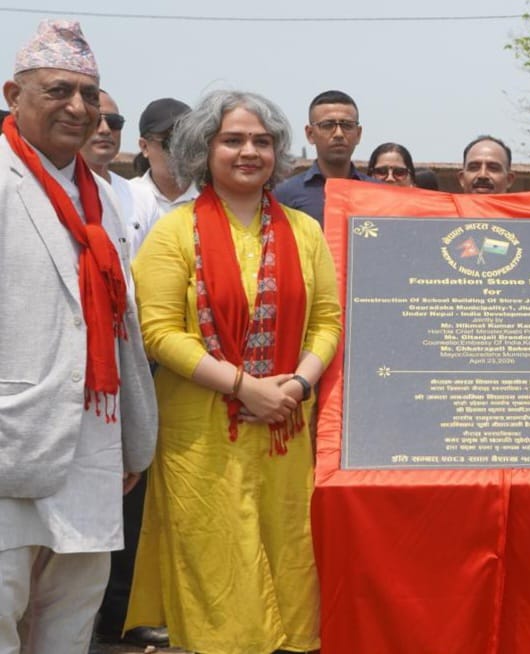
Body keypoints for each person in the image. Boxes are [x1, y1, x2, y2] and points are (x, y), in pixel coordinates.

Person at [125, 90, 342, 654]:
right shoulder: (174, 232)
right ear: (204, 149)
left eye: (262, 141)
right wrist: (246, 387)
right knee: (216, 563)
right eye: (233, 140)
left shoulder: (305, 231)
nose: (250, 152)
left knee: (288, 553)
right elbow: (158, 331)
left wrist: (296, 384)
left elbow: (328, 321)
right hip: (201, 436)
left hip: (285, 428)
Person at [0, 20, 157, 654]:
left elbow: (123, 326)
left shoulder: (102, 198)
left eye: (89, 95)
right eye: (58, 90)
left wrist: (135, 436)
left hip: (93, 442)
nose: (78, 107)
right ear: (14, 95)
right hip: (14, 435)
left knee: (70, 619)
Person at [79, 89, 168, 651]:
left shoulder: (118, 197)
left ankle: (117, 614)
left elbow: (133, 304)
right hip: (48, 388)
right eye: (97, 118)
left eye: (113, 120)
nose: (102, 128)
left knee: (124, 504)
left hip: (119, 374)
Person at [80, 89, 160, 257]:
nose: (105, 129)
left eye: (114, 122)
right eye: (94, 120)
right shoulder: (53, 192)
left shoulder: (142, 198)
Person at [275, 89, 373, 223]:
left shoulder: (378, 192)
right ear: (310, 134)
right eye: (327, 125)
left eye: (347, 125)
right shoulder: (285, 194)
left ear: (358, 134)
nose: (338, 134)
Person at [129, 98, 198, 217]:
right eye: (170, 141)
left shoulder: (215, 198)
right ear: (145, 147)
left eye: (187, 140)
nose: (180, 150)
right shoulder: (127, 197)